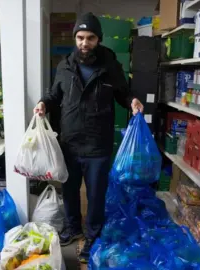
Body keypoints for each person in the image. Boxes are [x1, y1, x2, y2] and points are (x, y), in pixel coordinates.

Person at [34, 12, 143, 263]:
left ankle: (92, 236)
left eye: (90, 37)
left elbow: (123, 94)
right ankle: (73, 230)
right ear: (75, 38)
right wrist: (43, 104)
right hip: (69, 142)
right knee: (69, 191)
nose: (85, 42)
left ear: (98, 39)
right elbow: (54, 95)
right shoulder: (64, 65)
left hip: (98, 144)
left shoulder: (110, 66)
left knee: (96, 194)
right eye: (81, 37)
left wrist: (132, 101)